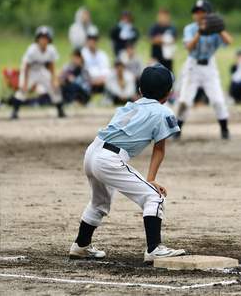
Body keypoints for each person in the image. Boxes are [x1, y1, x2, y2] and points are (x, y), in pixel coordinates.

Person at [69, 63, 185, 262]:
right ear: (169, 92)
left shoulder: (130, 106)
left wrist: (149, 179)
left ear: (140, 90)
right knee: (154, 197)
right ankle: (154, 248)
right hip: (109, 159)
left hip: (92, 152)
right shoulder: (164, 112)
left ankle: (81, 245)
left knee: (100, 203)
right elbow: (159, 148)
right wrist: (151, 180)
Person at [174, 0, 233, 140]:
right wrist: (200, 31)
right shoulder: (190, 29)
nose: (200, 15)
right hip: (193, 67)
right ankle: (177, 130)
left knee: (218, 100)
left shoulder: (215, 30)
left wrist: (219, 29)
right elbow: (189, 46)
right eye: (197, 12)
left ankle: (224, 130)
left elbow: (228, 41)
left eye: (203, 12)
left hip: (210, 67)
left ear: (209, 14)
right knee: (184, 101)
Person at [10, 26, 65, 119]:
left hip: (40, 70)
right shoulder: (32, 49)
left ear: (49, 40)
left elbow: (51, 65)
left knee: (53, 88)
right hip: (29, 71)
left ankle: (61, 112)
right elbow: (26, 67)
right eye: (41, 38)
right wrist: (25, 83)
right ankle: (14, 112)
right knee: (23, 89)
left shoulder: (51, 49)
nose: (43, 41)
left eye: (45, 38)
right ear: (37, 39)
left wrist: (53, 80)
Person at [81, 26, 111, 93]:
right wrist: (93, 78)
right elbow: (84, 69)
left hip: (102, 80)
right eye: (90, 40)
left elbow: (106, 68)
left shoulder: (102, 54)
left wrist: (102, 78)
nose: (92, 42)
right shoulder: (83, 54)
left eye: (94, 40)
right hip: (88, 79)